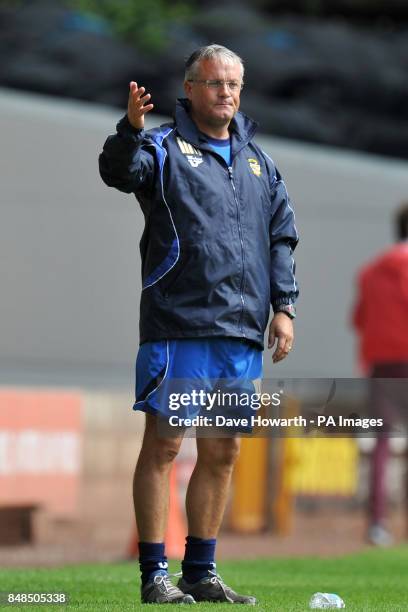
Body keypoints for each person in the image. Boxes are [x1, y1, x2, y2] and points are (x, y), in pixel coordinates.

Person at [99, 44, 299, 605]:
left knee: (223, 451)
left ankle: (201, 572)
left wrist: (283, 307)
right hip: (179, 324)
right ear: (190, 88)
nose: (227, 94)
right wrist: (129, 130)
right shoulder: (161, 147)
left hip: (240, 332)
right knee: (164, 447)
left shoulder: (260, 162)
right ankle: (153, 574)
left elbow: (282, 235)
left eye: (235, 84)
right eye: (215, 83)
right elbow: (120, 172)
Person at [352, 203, 408, 546]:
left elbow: (359, 320)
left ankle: (377, 523)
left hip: (381, 364)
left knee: (383, 444)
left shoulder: (371, 271)